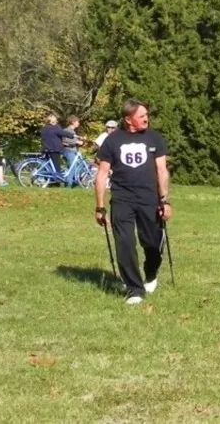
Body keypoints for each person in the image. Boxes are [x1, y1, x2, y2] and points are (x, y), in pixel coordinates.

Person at [94, 99, 172, 306]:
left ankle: (151, 272)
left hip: (149, 199)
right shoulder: (112, 141)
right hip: (122, 199)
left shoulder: (154, 138)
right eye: (141, 116)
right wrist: (100, 206)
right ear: (128, 119)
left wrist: (165, 200)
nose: (146, 118)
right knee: (125, 243)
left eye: (147, 115)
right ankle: (134, 289)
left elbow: (162, 171)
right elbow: (101, 175)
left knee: (153, 243)